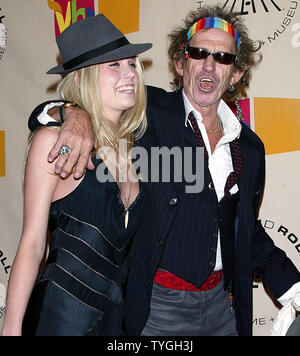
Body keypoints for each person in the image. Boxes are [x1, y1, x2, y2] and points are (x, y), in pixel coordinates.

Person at [26, 6, 300, 336]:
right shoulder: (146, 114)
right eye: (199, 53)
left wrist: (293, 289)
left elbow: (246, 231)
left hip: (222, 307)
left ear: (237, 73)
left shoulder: (250, 148)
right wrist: (72, 112)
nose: (209, 65)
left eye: (223, 58)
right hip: (155, 307)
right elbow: (85, 101)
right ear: (180, 63)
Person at [1, 14, 152, 336]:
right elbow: (32, 242)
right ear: (82, 78)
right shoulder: (54, 141)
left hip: (115, 320)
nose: (129, 75)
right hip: (57, 317)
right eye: (114, 65)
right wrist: (11, 329)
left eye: (131, 65)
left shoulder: (132, 151)